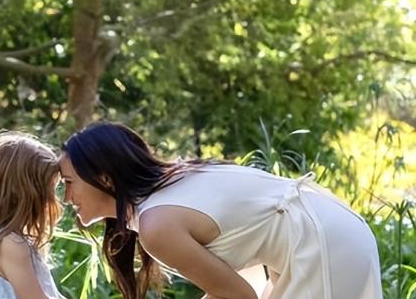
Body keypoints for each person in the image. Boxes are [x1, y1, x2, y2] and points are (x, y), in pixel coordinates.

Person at [59, 122, 383, 299]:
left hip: (320, 243)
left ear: (104, 178)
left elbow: (239, 297)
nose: (67, 196)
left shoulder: (156, 224)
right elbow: (237, 282)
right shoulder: (171, 189)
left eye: (69, 182)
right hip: (328, 228)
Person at [0, 132, 65, 299]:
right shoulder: (12, 244)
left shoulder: (1, 239)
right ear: (27, 194)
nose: (53, 200)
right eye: (49, 190)